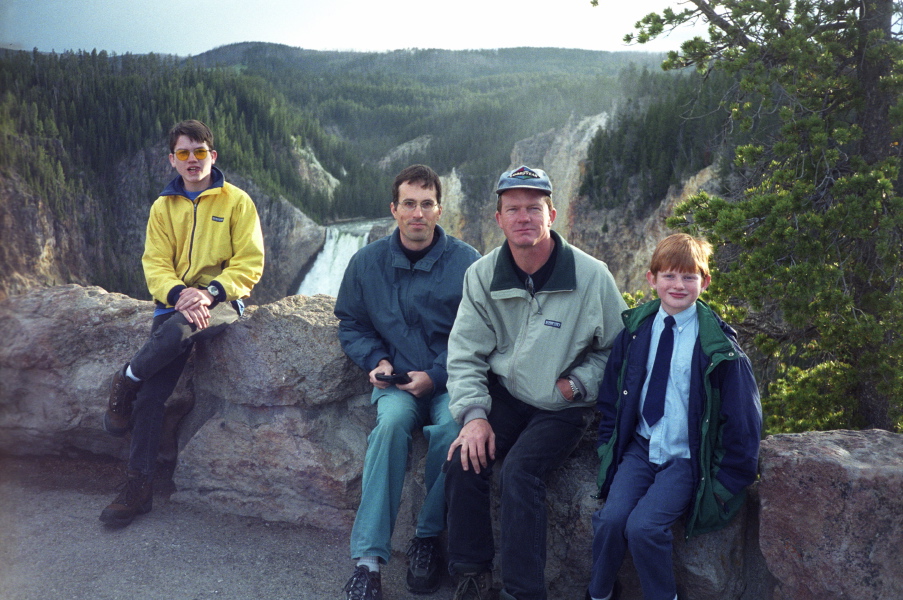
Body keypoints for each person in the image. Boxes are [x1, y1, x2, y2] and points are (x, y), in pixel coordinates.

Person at [444, 166, 627, 600]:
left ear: (552, 215)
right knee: (463, 458)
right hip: (506, 394)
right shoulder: (482, 275)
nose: (523, 217)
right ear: (498, 218)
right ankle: (471, 574)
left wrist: (579, 384)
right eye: (513, 209)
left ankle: (523, 593)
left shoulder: (592, 276)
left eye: (533, 208)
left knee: (520, 472)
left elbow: (621, 351)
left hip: (562, 405)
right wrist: (473, 414)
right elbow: (465, 353)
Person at [100, 119, 265, 527]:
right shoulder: (163, 207)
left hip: (223, 300)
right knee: (153, 395)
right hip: (174, 301)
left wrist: (208, 292)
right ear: (172, 159)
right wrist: (178, 295)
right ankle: (138, 488)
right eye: (184, 153)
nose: (193, 160)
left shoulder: (237, 202)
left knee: (175, 332)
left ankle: (126, 377)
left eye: (200, 151)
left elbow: (249, 263)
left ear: (214, 155)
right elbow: (155, 264)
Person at [334, 164, 481, 600]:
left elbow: (477, 333)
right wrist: (376, 360)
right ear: (394, 209)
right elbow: (351, 323)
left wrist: (435, 375)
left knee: (453, 433)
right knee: (390, 429)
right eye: (409, 204)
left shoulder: (467, 262)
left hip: (450, 380)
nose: (418, 213)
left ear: (439, 209)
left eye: (427, 204)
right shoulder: (367, 263)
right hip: (394, 383)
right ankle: (368, 562)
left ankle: (426, 539)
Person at [588, 233, 762, 600]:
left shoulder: (719, 348)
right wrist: (607, 446)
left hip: (685, 457)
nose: (678, 286)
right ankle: (599, 593)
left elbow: (744, 422)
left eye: (689, 277)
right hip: (641, 447)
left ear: (705, 282)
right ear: (651, 279)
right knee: (609, 521)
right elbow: (611, 396)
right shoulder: (637, 331)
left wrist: (725, 484)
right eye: (668, 276)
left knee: (644, 528)